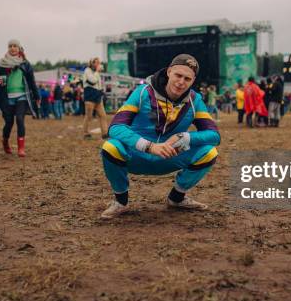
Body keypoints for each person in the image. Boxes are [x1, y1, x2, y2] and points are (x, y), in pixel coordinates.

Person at [100, 54, 220, 219]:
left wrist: (186, 137)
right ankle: (121, 202)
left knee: (209, 152)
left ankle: (177, 198)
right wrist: (149, 146)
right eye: (178, 75)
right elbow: (115, 127)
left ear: (193, 81)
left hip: (169, 156)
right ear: (169, 71)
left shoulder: (195, 100)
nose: (181, 82)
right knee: (110, 147)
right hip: (137, 155)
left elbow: (214, 135)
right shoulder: (142, 93)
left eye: (187, 79)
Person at [0, 39, 40, 157]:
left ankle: (21, 148)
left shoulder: (25, 63)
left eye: (15, 46)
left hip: (22, 96)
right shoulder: (1, 64)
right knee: (9, 123)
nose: (12, 48)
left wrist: (37, 95)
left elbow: (31, 81)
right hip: (7, 97)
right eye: (10, 46)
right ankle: (5, 141)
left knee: (20, 119)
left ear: (19, 48)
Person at [82, 57, 108, 139]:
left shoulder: (96, 73)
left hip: (97, 97)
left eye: (98, 63)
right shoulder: (87, 71)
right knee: (88, 116)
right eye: (96, 62)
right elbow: (93, 81)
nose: (98, 64)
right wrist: (97, 71)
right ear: (91, 63)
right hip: (90, 97)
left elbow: (99, 85)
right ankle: (86, 133)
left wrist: (102, 92)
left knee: (103, 115)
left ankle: (105, 133)